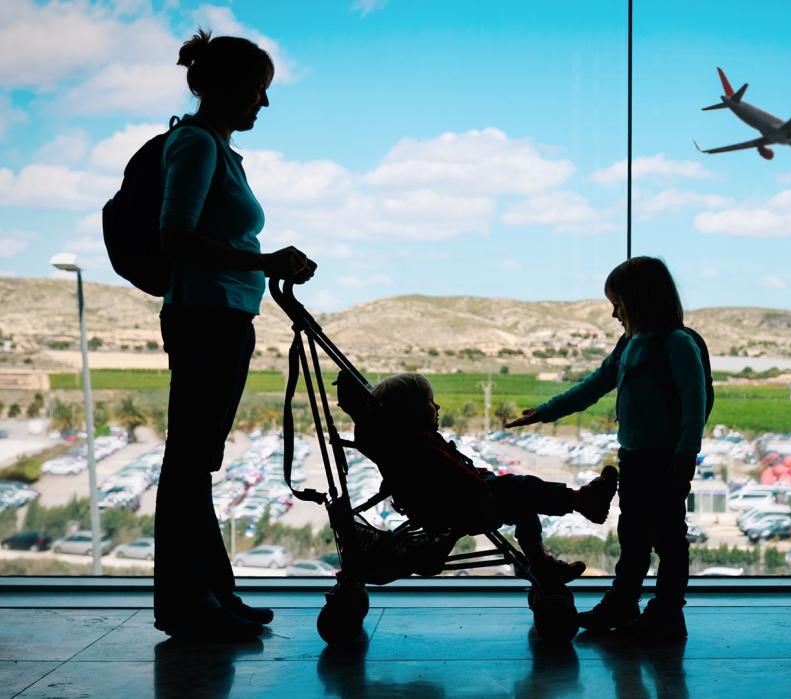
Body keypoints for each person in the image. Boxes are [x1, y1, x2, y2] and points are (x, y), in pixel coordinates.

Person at [154, 29, 317, 641]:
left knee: (197, 463)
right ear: (221, 88)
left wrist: (263, 265)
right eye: (257, 90)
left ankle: (211, 593)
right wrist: (265, 261)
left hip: (221, 317)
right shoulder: (195, 145)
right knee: (189, 464)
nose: (264, 104)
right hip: (205, 318)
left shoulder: (217, 149)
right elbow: (177, 237)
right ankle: (188, 602)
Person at [507, 256, 707, 641]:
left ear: (639, 299)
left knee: (667, 538)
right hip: (633, 458)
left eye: (618, 302)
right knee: (633, 536)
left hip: (666, 462)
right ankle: (624, 603)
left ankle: (666, 613)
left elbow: (693, 407)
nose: (614, 313)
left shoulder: (677, 344)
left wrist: (685, 456)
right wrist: (544, 412)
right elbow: (594, 385)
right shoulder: (629, 345)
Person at [359, 373, 618, 584]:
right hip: (469, 502)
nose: (437, 407)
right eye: (429, 402)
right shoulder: (421, 446)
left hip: (461, 500)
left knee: (525, 505)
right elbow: (456, 475)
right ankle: (581, 501)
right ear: (410, 411)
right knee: (523, 487)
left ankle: (541, 564)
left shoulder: (405, 446)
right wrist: (485, 487)